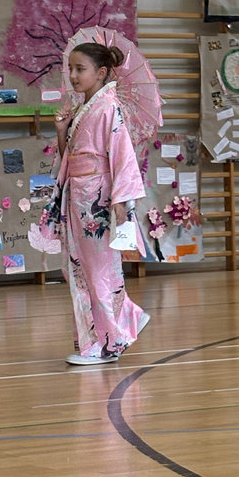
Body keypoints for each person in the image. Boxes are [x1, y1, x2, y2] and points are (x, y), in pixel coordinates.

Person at [43, 42, 150, 366]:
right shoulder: (86, 108)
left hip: (97, 199)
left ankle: (108, 343)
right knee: (82, 269)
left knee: (99, 270)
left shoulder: (107, 108)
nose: (73, 75)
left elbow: (122, 158)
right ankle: (122, 320)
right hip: (79, 195)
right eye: (71, 69)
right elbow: (70, 159)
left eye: (81, 69)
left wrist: (120, 206)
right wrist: (62, 131)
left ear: (101, 72)